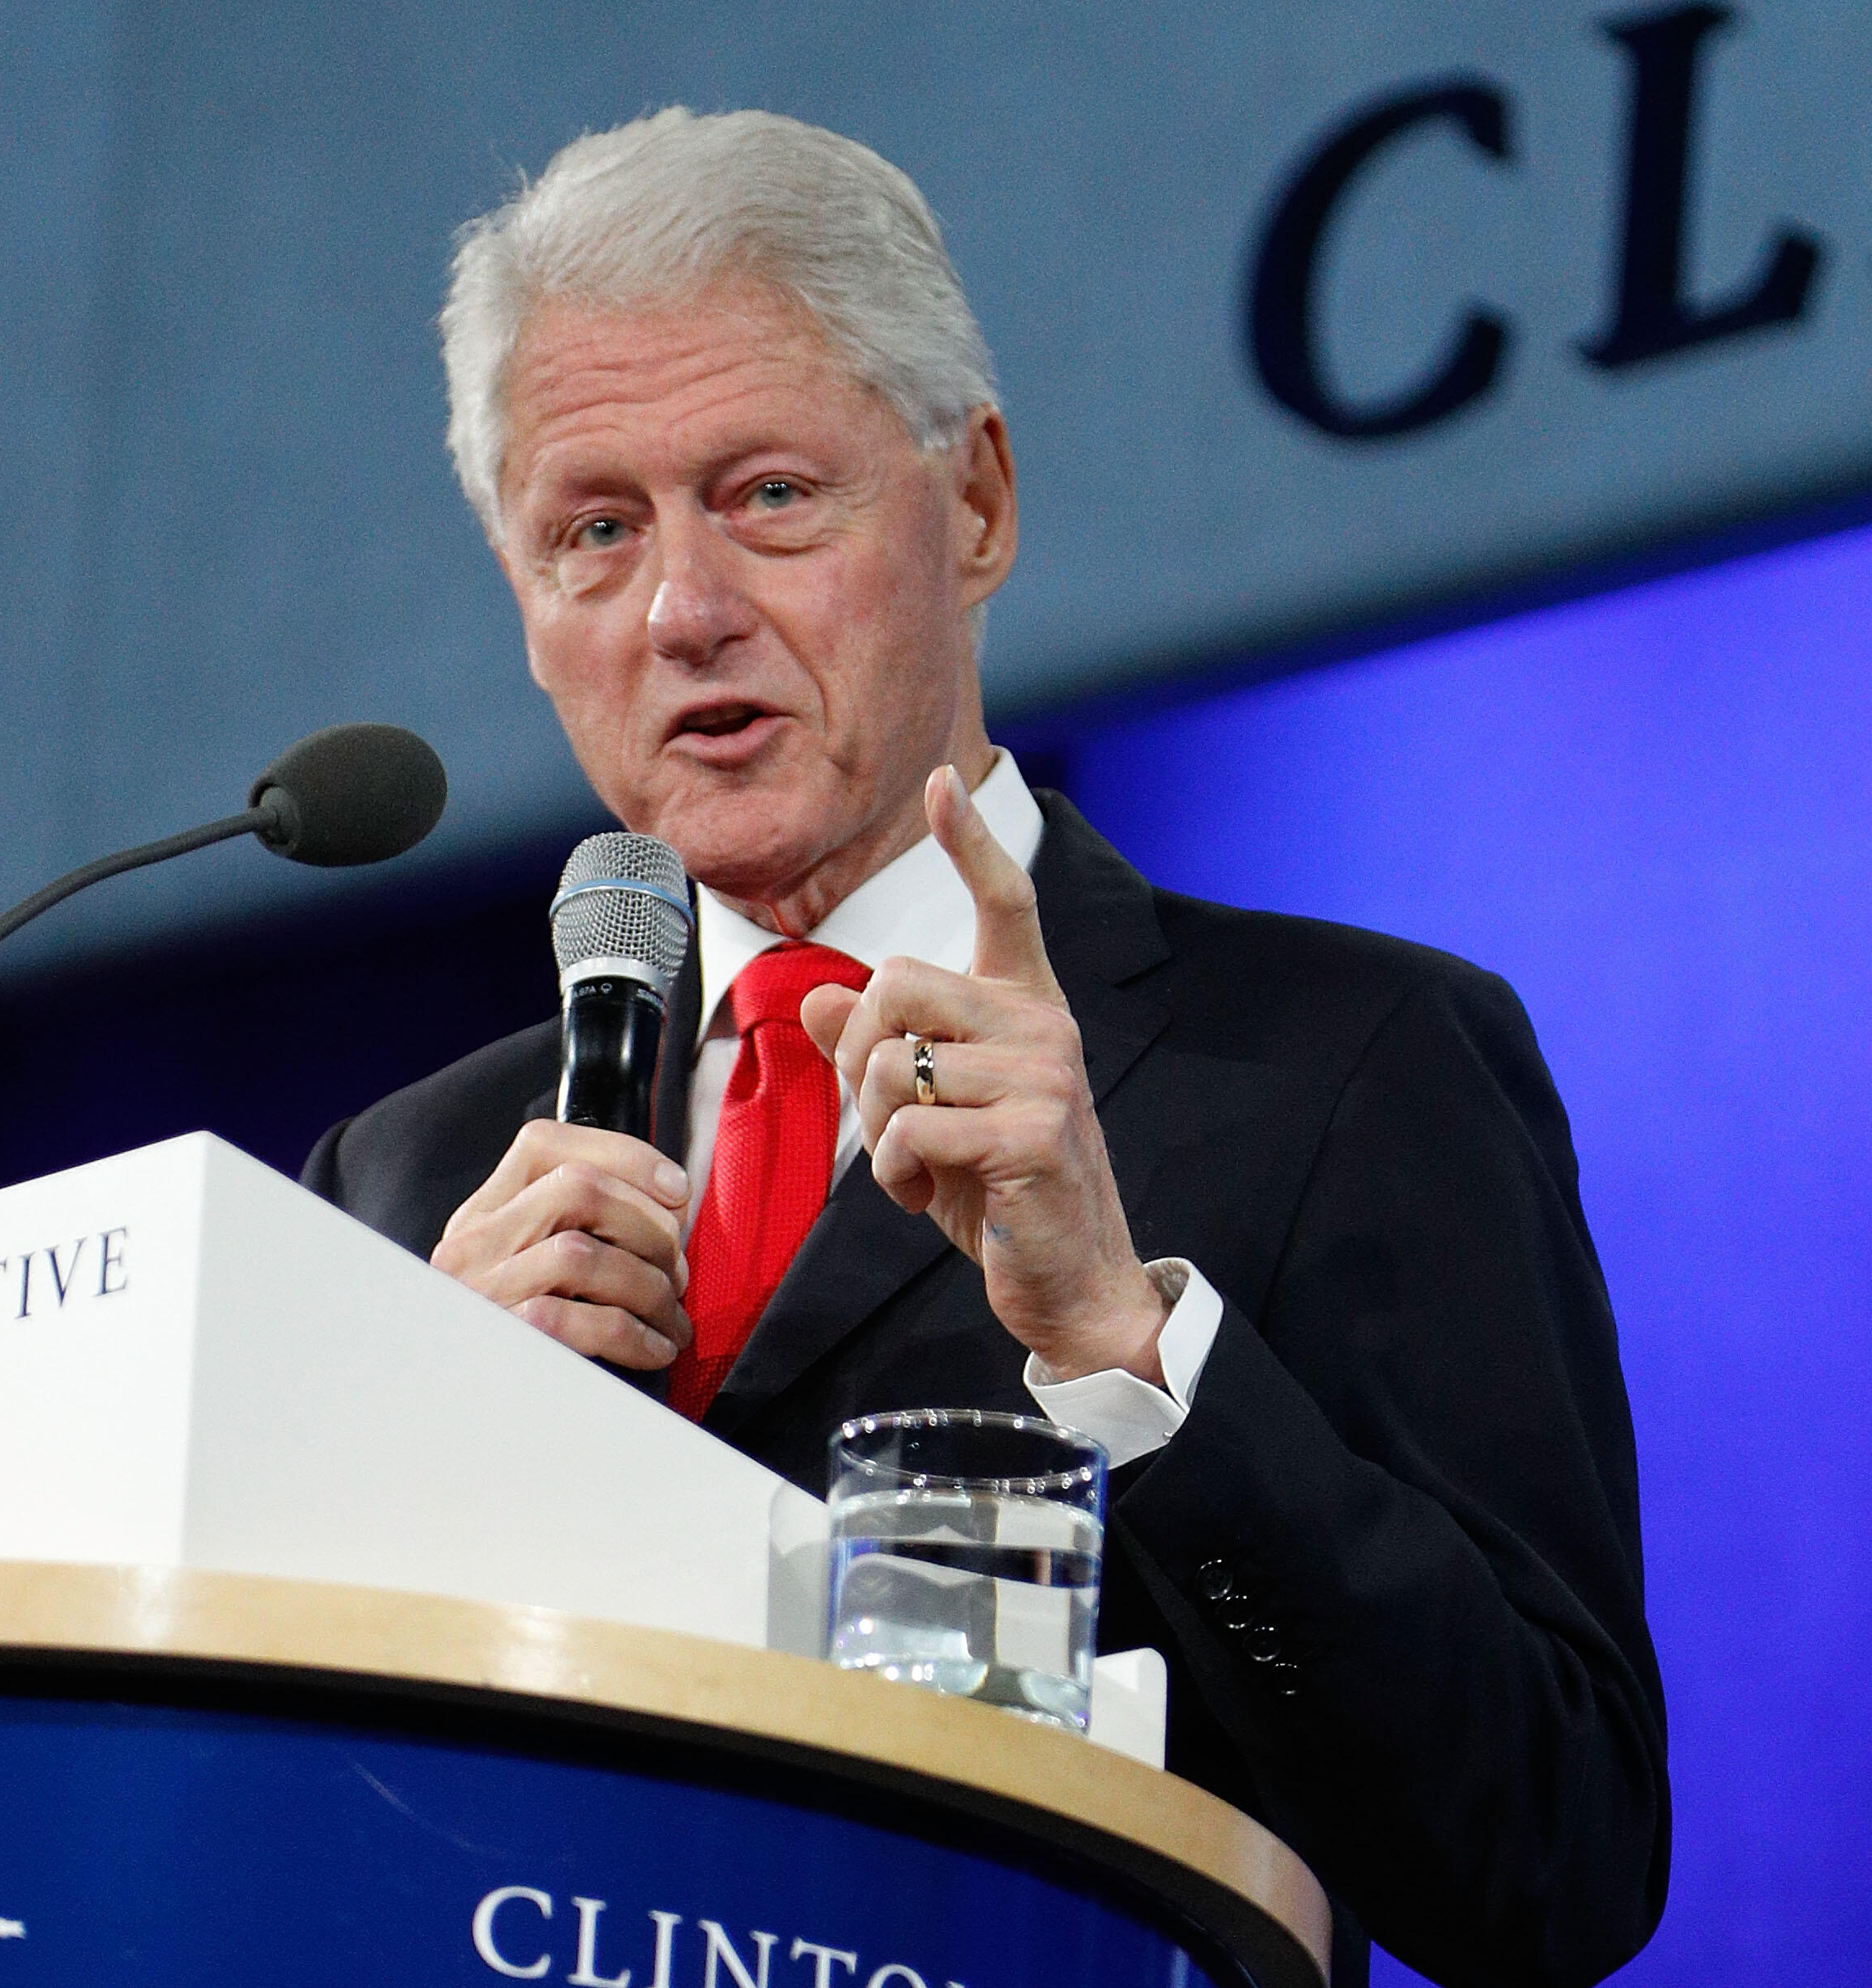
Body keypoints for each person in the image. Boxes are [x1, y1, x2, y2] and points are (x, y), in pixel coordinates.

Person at [304, 108, 1665, 1988]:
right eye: (593, 532)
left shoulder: (1353, 1066)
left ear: (978, 505)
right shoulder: (403, 1183)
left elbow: (1552, 1860)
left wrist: (1133, 1346)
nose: (683, 609)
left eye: (769, 494)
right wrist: (409, 1445)